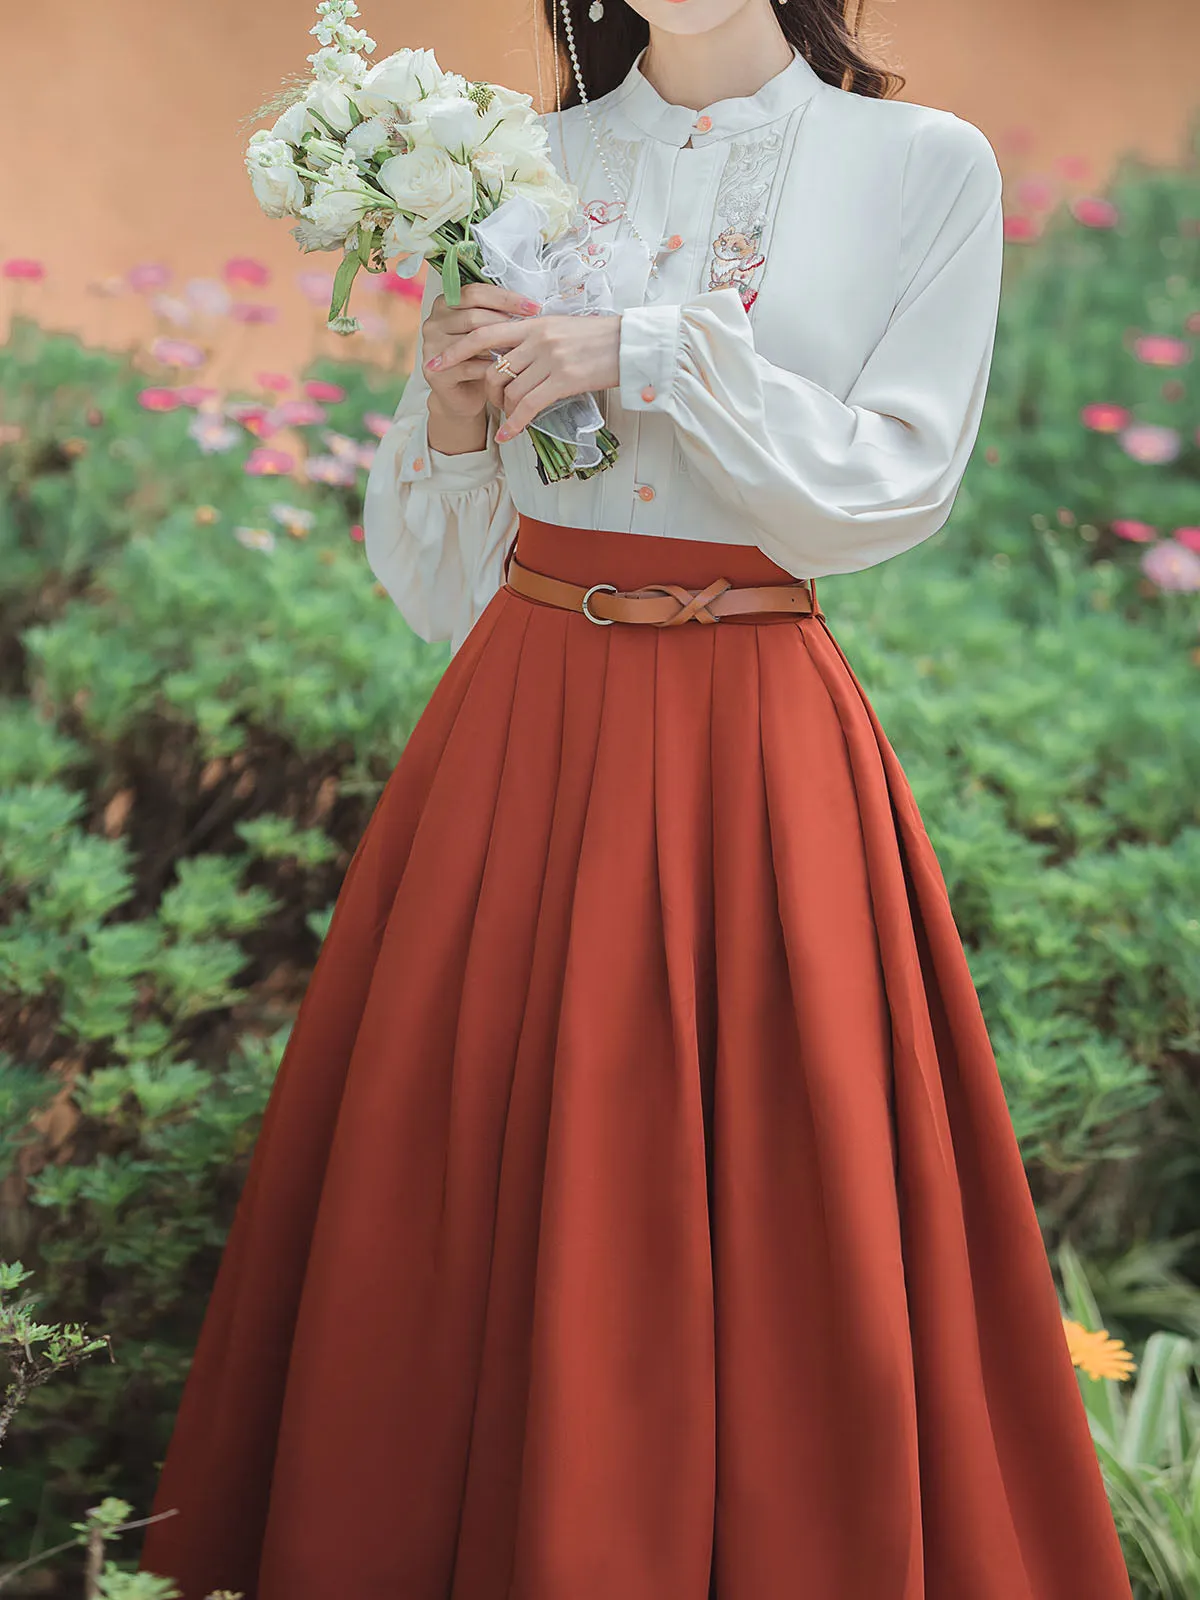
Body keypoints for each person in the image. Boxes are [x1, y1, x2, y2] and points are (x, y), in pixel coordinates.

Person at [140, 0, 1136, 1595]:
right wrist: (458, 420)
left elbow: (892, 487)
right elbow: (442, 576)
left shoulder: (921, 167)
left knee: (789, 1211)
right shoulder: (514, 160)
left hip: (762, 739)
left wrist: (646, 347)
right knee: (458, 1189)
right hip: (526, 728)